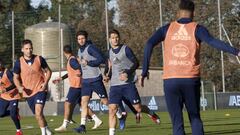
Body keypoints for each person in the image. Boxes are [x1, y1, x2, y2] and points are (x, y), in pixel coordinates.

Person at [139, 0, 240, 135]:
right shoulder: (197, 28)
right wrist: (236, 51)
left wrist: (145, 71)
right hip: (190, 79)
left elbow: (149, 44)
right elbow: (213, 42)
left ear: (178, 12)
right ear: (194, 13)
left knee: (177, 123)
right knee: (194, 118)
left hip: (170, 80)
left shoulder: (167, 28)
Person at [53, 45, 102, 132]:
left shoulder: (71, 60)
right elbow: (72, 71)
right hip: (79, 85)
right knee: (83, 105)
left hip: (76, 86)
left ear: (64, 53)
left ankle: (65, 124)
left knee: (67, 104)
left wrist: (80, 72)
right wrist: (61, 78)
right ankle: (96, 120)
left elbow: (79, 67)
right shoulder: (72, 59)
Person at [106, 29, 142, 135]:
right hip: (115, 85)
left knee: (138, 108)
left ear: (119, 38)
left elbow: (136, 63)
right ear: (109, 40)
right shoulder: (108, 52)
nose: (115, 39)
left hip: (127, 84)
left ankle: (149, 112)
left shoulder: (126, 49)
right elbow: (110, 67)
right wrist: (107, 76)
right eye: (112, 37)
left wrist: (127, 73)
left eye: (116, 37)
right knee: (112, 109)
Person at [13, 39, 52, 135]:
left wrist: (45, 82)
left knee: (38, 113)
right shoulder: (18, 63)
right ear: (22, 50)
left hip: (40, 89)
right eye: (26, 49)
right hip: (28, 93)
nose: (29, 50)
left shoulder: (39, 59)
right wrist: (19, 87)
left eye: (30, 48)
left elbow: (48, 71)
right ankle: (47, 130)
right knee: (38, 115)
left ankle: (44, 133)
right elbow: (15, 78)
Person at [74, 30, 107, 133]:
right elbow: (83, 64)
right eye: (79, 39)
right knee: (84, 102)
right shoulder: (79, 51)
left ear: (86, 38)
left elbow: (102, 59)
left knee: (106, 102)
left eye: (82, 38)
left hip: (96, 79)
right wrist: (81, 71)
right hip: (86, 81)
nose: (81, 40)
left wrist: (88, 62)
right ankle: (82, 126)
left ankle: (120, 115)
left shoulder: (91, 48)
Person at [0, 59, 22, 135]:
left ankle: (19, 131)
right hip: (4, 97)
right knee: (1, 114)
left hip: (14, 96)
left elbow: (14, 84)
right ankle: (15, 111)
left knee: (13, 115)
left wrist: (6, 89)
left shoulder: (7, 72)